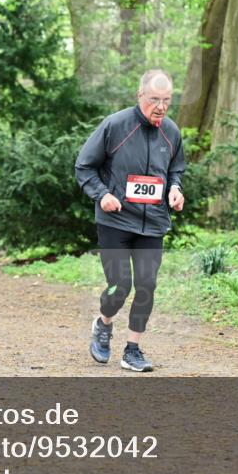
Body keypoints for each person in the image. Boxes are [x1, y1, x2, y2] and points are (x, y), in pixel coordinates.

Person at [75, 69, 186, 372]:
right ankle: (104, 321)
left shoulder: (172, 132)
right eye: (154, 100)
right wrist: (102, 195)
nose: (160, 107)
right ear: (140, 96)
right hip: (115, 222)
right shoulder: (115, 126)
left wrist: (176, 190)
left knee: (147, 286)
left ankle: (133, 349)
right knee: (118, 286)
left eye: (166, 101)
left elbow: (175, 170)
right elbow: (84, 166)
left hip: (153, 224)